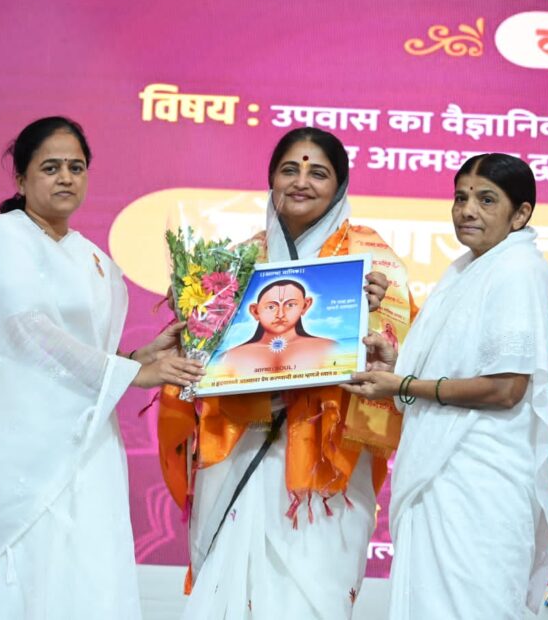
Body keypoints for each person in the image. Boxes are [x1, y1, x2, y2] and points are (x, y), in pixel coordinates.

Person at [0, 117, 203, 619]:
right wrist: (129, 375)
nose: (65, 178)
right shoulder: (5, 240)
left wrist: (138, 358)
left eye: (76, 168)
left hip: (86, 442)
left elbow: (85, 352)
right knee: (25, 578)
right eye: (51, 167)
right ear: (21, 179)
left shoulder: (93, 259)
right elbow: (26, 331)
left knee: (88, 575)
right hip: (16, 451)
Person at [159, 127, 417, 619]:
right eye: (289, 169)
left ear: (339, 186)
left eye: (318, 172)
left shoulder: (372, 259)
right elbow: (202, 357)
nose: (301, 181)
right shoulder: (238, 261)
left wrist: (377, 313)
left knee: (310, 594)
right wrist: (195, 317)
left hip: (326, 457)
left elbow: (403, 354)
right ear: (271, 178)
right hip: (241, 440)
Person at [341, 153, 548, 619]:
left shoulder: (518, 270)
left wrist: (403, 384)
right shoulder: (469, 269)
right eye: (461, 198)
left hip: (479, 482)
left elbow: (506, 388)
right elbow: (457, 366)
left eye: (486, 200)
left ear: (520, 214)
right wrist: (396, 367)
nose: (467, 210)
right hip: (448, 476)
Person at [220, 278, 336, 376]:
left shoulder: (329, 348)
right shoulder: (230, 357)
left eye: (290, 305)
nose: (280, 315)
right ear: (255, 311)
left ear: (305, 305)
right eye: (271, 307)